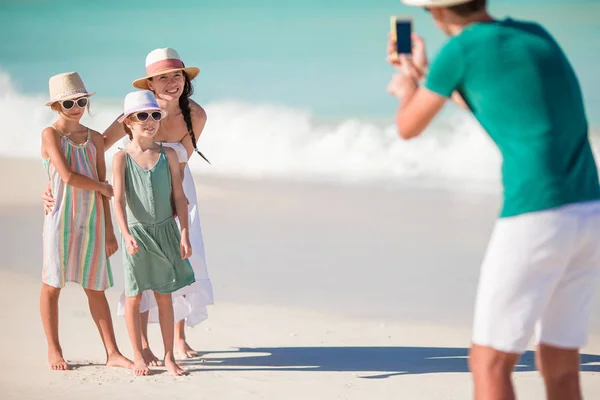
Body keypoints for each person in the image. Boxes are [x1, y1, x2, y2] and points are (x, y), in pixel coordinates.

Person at [387, 1, 600, 399]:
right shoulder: (535, 34)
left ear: (435, 13)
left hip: (536, 213)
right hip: (589, 208)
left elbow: (407, 126)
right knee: (560, 361)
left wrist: (408, 89)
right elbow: (497, 102)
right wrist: (427, 77)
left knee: (489, 363)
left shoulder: (460, 51)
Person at [43, 48, 214, 363]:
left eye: (176, 75)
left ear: (184, 78)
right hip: (138, 190)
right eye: (162, 77)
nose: (171, 82)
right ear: (150, 83)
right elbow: (96, 146)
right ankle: (144, 346)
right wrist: (52, 184)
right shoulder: (135, 113)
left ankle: (178, 337)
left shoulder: (197, 115)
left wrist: (176, 202)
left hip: (176, 187)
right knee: (145, 265)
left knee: (183, 260)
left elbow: (182, 161)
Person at [41, 72, 132, 371]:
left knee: (96, 288)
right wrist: (102, 188)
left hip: (92, 220)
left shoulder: (94, 138)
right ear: (57, 106)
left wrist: (109, 230)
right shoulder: (50, 135)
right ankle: (54, 351)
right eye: (69, 103)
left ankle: (113, 353)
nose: (77, 107)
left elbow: (102, 181)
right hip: (60, 219)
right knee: (53, 285)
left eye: (81, 101)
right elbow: (66, 176)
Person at [112, 90, 195, 376]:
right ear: (128, 122)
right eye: (142, 116)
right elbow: (119, 201)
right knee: (135, 296)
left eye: (154, 115)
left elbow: (180, 198)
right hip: (137, 234)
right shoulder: (121, 158)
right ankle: (137, 355)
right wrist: (125, 234)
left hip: (166, 232)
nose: (149, 121)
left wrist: (184, 233)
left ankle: (169, 356)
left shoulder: (168, 154)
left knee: (164, 295)